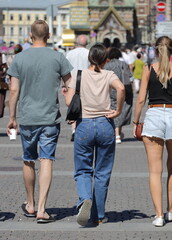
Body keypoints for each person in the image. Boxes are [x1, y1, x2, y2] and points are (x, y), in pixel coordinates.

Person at [7, 20, 73, 223]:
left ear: (30, 35)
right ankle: (42, 209)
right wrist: (71, 108)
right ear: (49, 35)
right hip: (50, 117)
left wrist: (11, 117)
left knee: (28, 159)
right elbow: (70, 85)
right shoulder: (57, 57)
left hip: (27, 117)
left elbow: (14, 90)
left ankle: (30, 203)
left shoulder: (19, 58)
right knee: (46, 160)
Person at [65, 43, 125, 226]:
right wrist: (118, 110)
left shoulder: (79, 75)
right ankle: (99, 214)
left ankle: (84, 198)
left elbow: (69, 101)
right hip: (105, 124)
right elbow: (121, 89)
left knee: (83, 169)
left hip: (84, 124)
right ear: (105, 60)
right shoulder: (109, 75)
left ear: (89, 58)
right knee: (102, 172)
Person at [133, 36, 172, 227]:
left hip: (154, 115)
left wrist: (135, 121)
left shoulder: (150, 70)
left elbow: (141, 99)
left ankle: (158, 215)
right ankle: (171, 211)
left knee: (154, 171)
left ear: (155, 51)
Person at [104, 47, 133, 144]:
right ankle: (117, 134)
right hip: (122, 90)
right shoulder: (123, 64)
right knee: (121, 110)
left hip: (110, 90)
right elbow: (129, 76)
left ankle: (117, 133)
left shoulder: (106, 66)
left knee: (113, 110)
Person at [65, 35, 90, 141]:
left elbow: (65, 69)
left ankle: (74, 129)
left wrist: (64, 85)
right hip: (86, 82)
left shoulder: (69, 53)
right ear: (86, 43)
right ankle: (83, 129)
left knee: (72, 105)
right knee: (85, 106)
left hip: (72, 82)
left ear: (77, 43)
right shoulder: (89, 53)